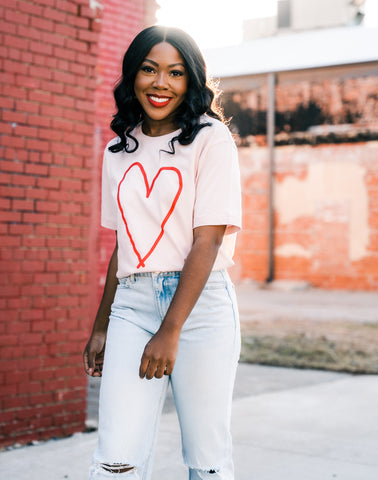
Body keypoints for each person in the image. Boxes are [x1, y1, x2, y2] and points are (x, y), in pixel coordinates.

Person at [83, 25, 242, 480]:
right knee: (116, 458)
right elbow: (124, 244)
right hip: (132, 305)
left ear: (191, 81)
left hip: (201, 307)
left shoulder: (212, 139)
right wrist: (100, 327)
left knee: (207, 459)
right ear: (133, 74)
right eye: (150, 69)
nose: (161, 83)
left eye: (175, 73)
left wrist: (171, 330)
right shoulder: (118, 149)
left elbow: (208, 241)